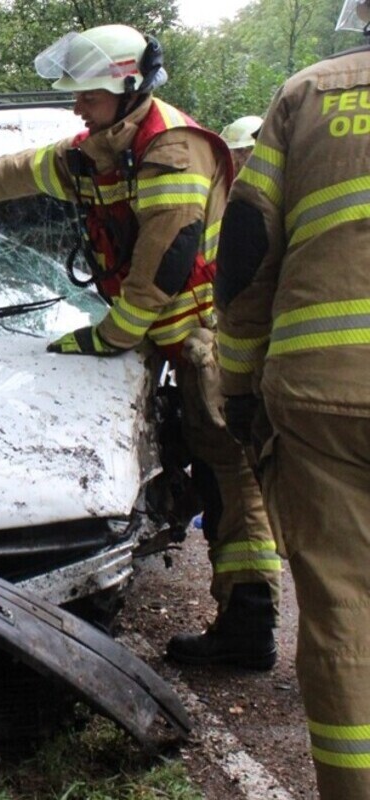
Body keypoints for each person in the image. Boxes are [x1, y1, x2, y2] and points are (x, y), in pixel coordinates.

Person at [0, 23, 282, 669]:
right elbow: (8, 175)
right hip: (165, 337)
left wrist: (103, 338)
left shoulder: (173, 152)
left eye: (87, 96)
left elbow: (161, 275)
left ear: (128, 89)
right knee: (213, 473)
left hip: (206, 337)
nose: (76, 108)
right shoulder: (97, 151)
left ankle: (250, 624)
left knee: (227, 475)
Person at [215, 0, 370, 794]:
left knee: (343, 609)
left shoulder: (309, 94)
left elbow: (245, 257)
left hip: (324, 396)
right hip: (323, 397)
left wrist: (236, 386)